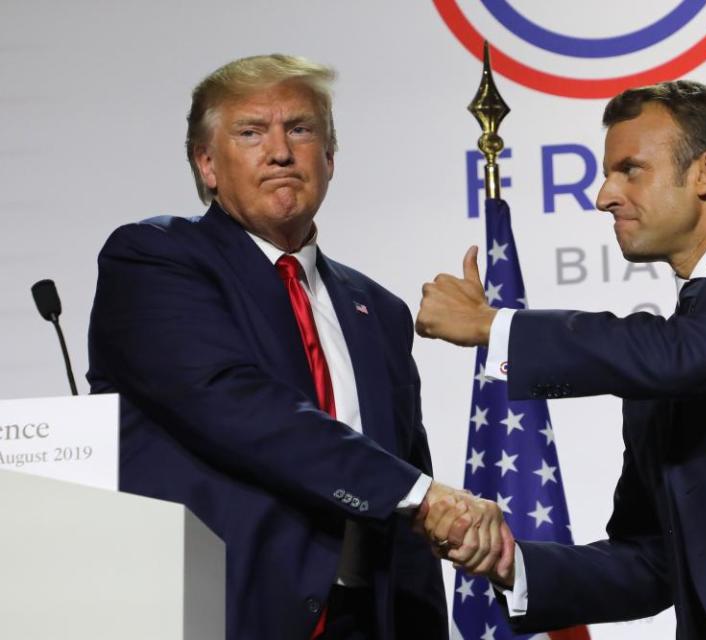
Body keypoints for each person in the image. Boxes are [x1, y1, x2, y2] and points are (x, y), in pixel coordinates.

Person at [416, 80, 706, 639]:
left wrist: (496, 326)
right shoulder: (651, 363)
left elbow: (688, 355)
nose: (604, 196)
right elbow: (651, 559)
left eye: (629, 170)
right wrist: (509, 563)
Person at [87, 54, 505, 640]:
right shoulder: (155, 259)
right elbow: (233, 405)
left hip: (365, 619)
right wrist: (418, 495)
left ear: (330, 160)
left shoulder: (377, 309)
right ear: (207, 164)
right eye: (251, 132)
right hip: (226, 612)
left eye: (301, 130)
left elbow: (407, 467)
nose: (280, 152)